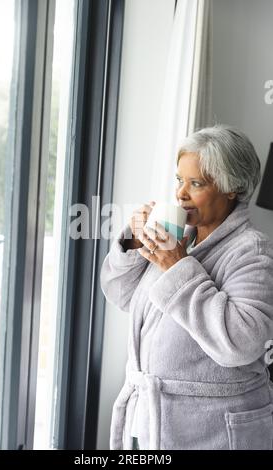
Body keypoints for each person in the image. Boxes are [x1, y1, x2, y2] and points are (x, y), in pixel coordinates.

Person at [100, 125, 273, 450]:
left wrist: (177, 267)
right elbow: (121, 294)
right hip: (150, 421)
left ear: (231, 187)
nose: (180, 193)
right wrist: (133, 245)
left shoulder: (253, 252)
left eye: (196, 183)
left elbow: (242, 343)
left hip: (213, 430)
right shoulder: (179, 238)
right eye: (179, 180)